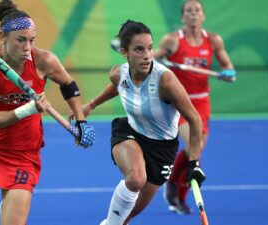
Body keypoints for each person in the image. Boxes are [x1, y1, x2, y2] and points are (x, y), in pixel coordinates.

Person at [0, 1, 95, 224]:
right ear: (2, 36)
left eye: (31, 40)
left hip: (24, 153)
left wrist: (81, 121)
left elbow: (69, 85)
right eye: (20, 40)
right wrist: (28, 109)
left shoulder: (44, 60)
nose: (27, 47)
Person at [70, 20, 206, 225]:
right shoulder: (118, 73)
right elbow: (117, 86)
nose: (147, 55)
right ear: (125, 52)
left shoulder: (165, 81)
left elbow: (195, 120)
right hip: (130, 132)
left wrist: (193, 163)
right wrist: (90, 105)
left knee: (128, 215)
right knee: (135, 179)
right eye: (139, 49)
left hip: (162, 148)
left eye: (150, 48)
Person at [154, 0, 236, 214]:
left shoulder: (213, 40)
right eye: (189, 11)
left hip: (202, 102)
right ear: (183, 17)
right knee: (192, 147)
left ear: (203, 16)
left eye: (197, 10)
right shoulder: (172, 40)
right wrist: (153, 59)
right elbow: (151, 59)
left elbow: (228, 67)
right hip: (179, 101)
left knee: (195, 153)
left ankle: (177, 194)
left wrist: (227, 72)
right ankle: (172, 184)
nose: (193, 14)